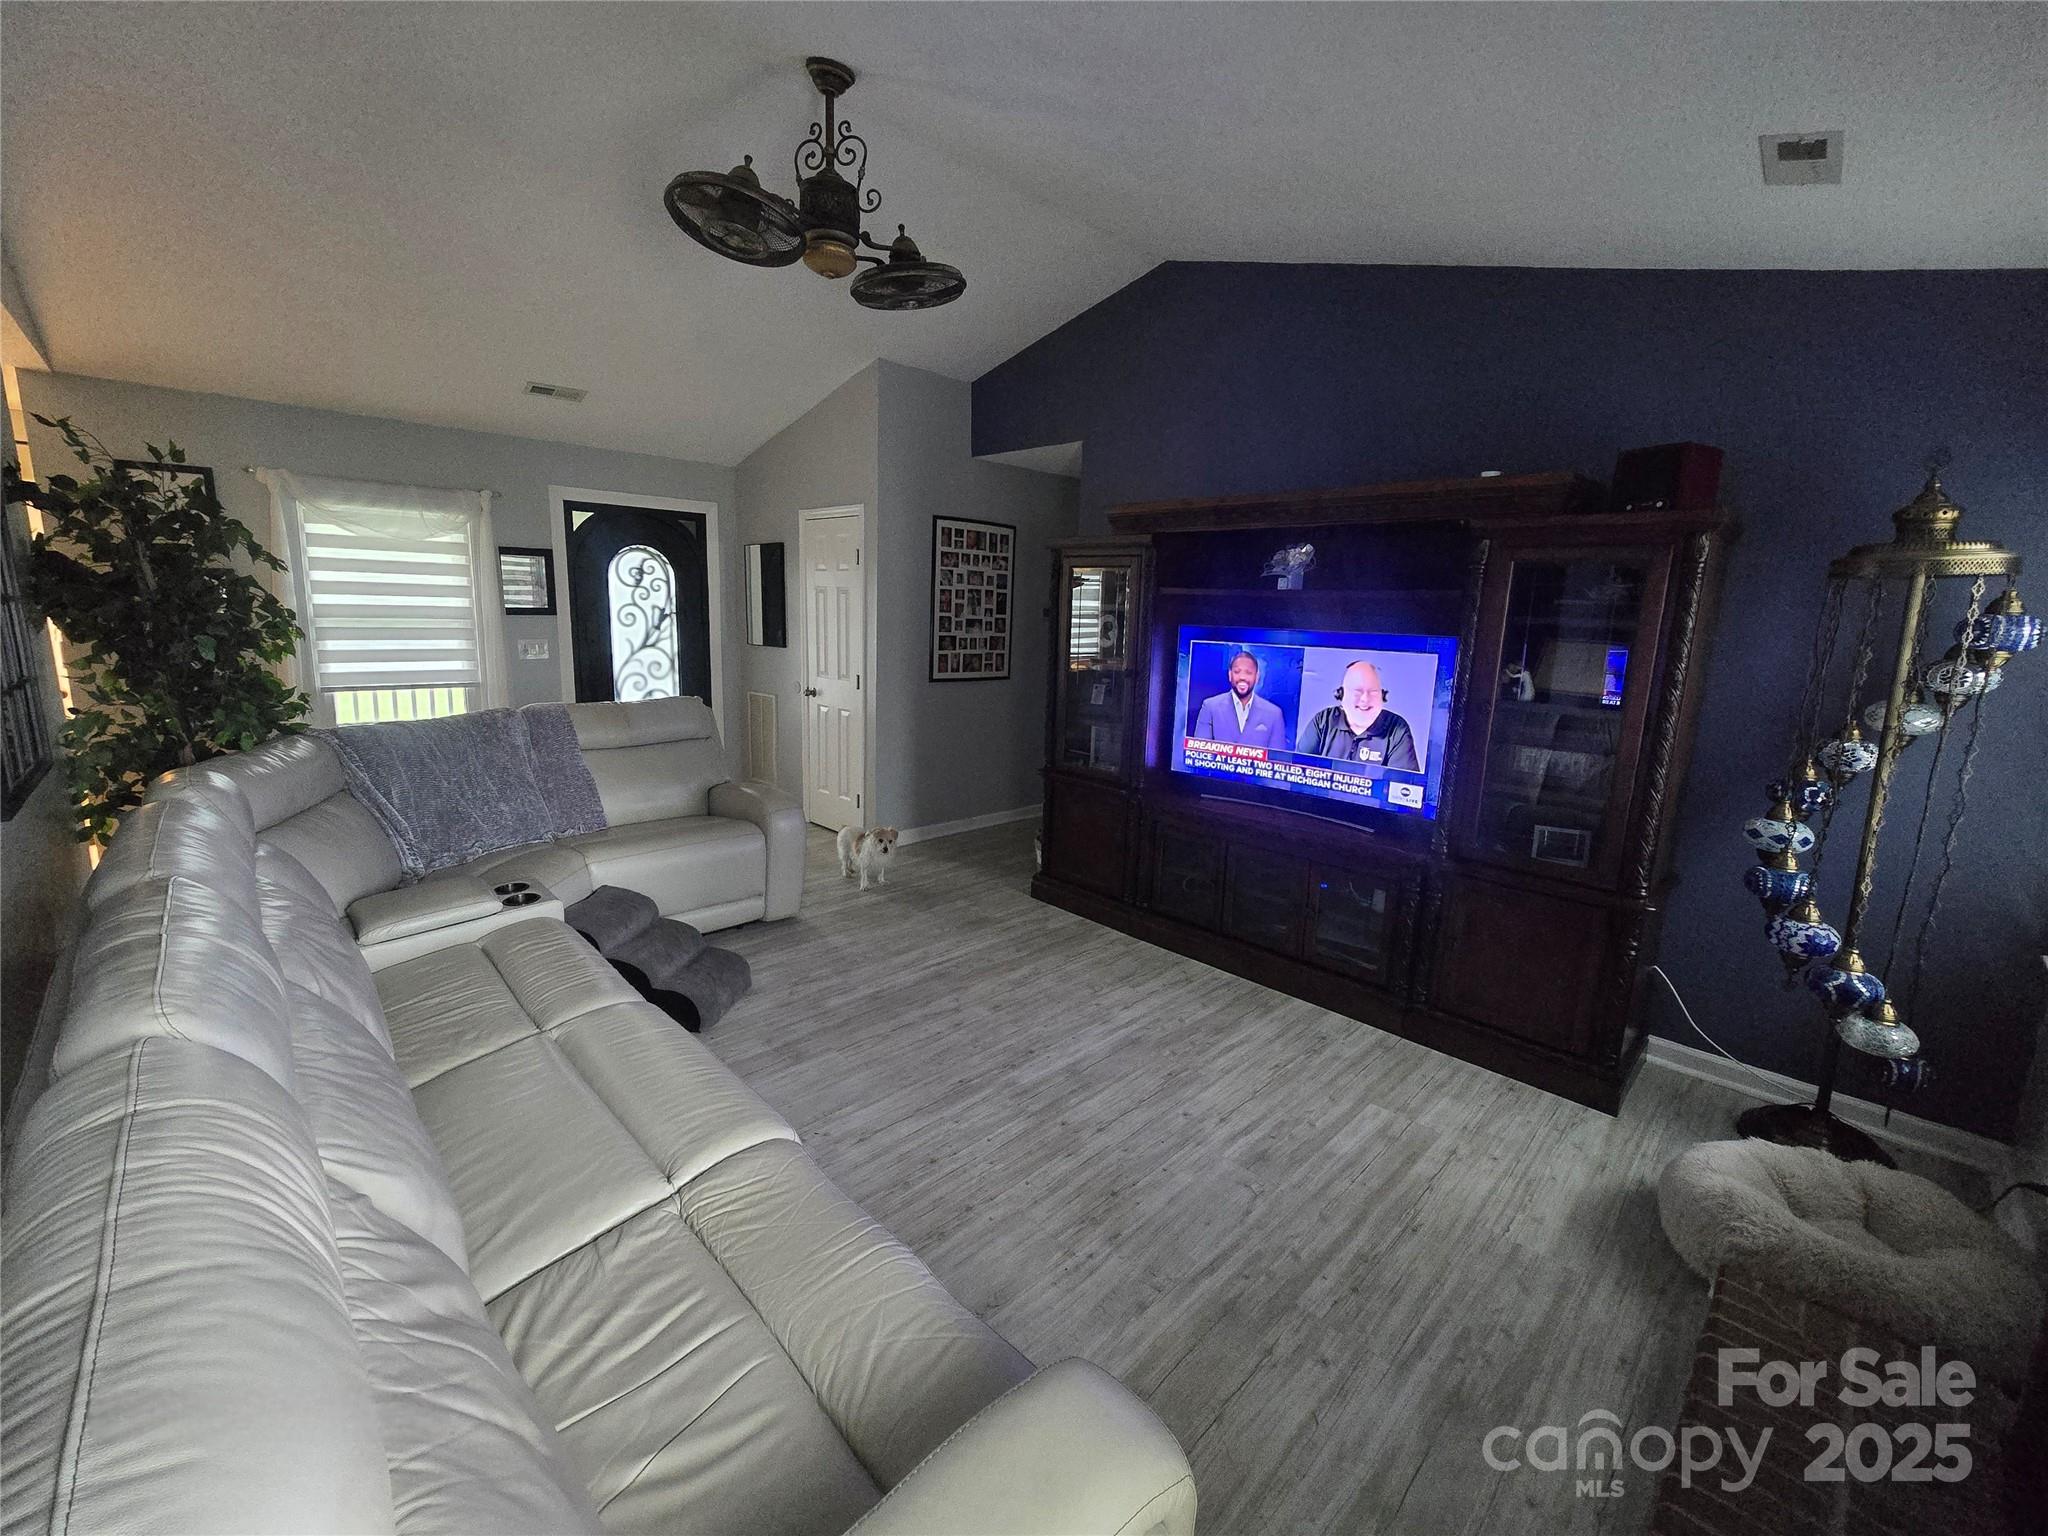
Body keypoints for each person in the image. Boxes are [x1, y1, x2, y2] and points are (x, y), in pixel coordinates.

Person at [1298, 659, 1420, 771]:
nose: (1365, 699)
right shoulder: (1323, 721)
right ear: (1341, 695)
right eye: (1357, 692)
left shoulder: (1397, 729)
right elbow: (1298, 770)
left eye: (1373, 692)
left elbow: (1402, 787)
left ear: (1383, 696)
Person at [1192, 650, 1286, 747]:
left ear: (1257, 677)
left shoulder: (1274, 714)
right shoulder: (1210, 707)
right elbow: (1200, 754)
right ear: (1230, 675)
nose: (1242, 677)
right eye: (1237, 672)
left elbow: (1278, 759)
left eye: (1248, 672)